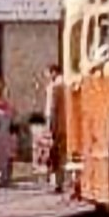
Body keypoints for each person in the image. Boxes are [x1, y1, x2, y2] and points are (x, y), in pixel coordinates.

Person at [43, 64, 66, 194]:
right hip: (63, 124)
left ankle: (55, 183)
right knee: (60, 155)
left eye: (47, 73)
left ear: (53, 72)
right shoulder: (64, 84)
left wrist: (50, 127)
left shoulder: (54, 87)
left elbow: (51, 109)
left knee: (54, 154)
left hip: (55, 124)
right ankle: (60, 181)